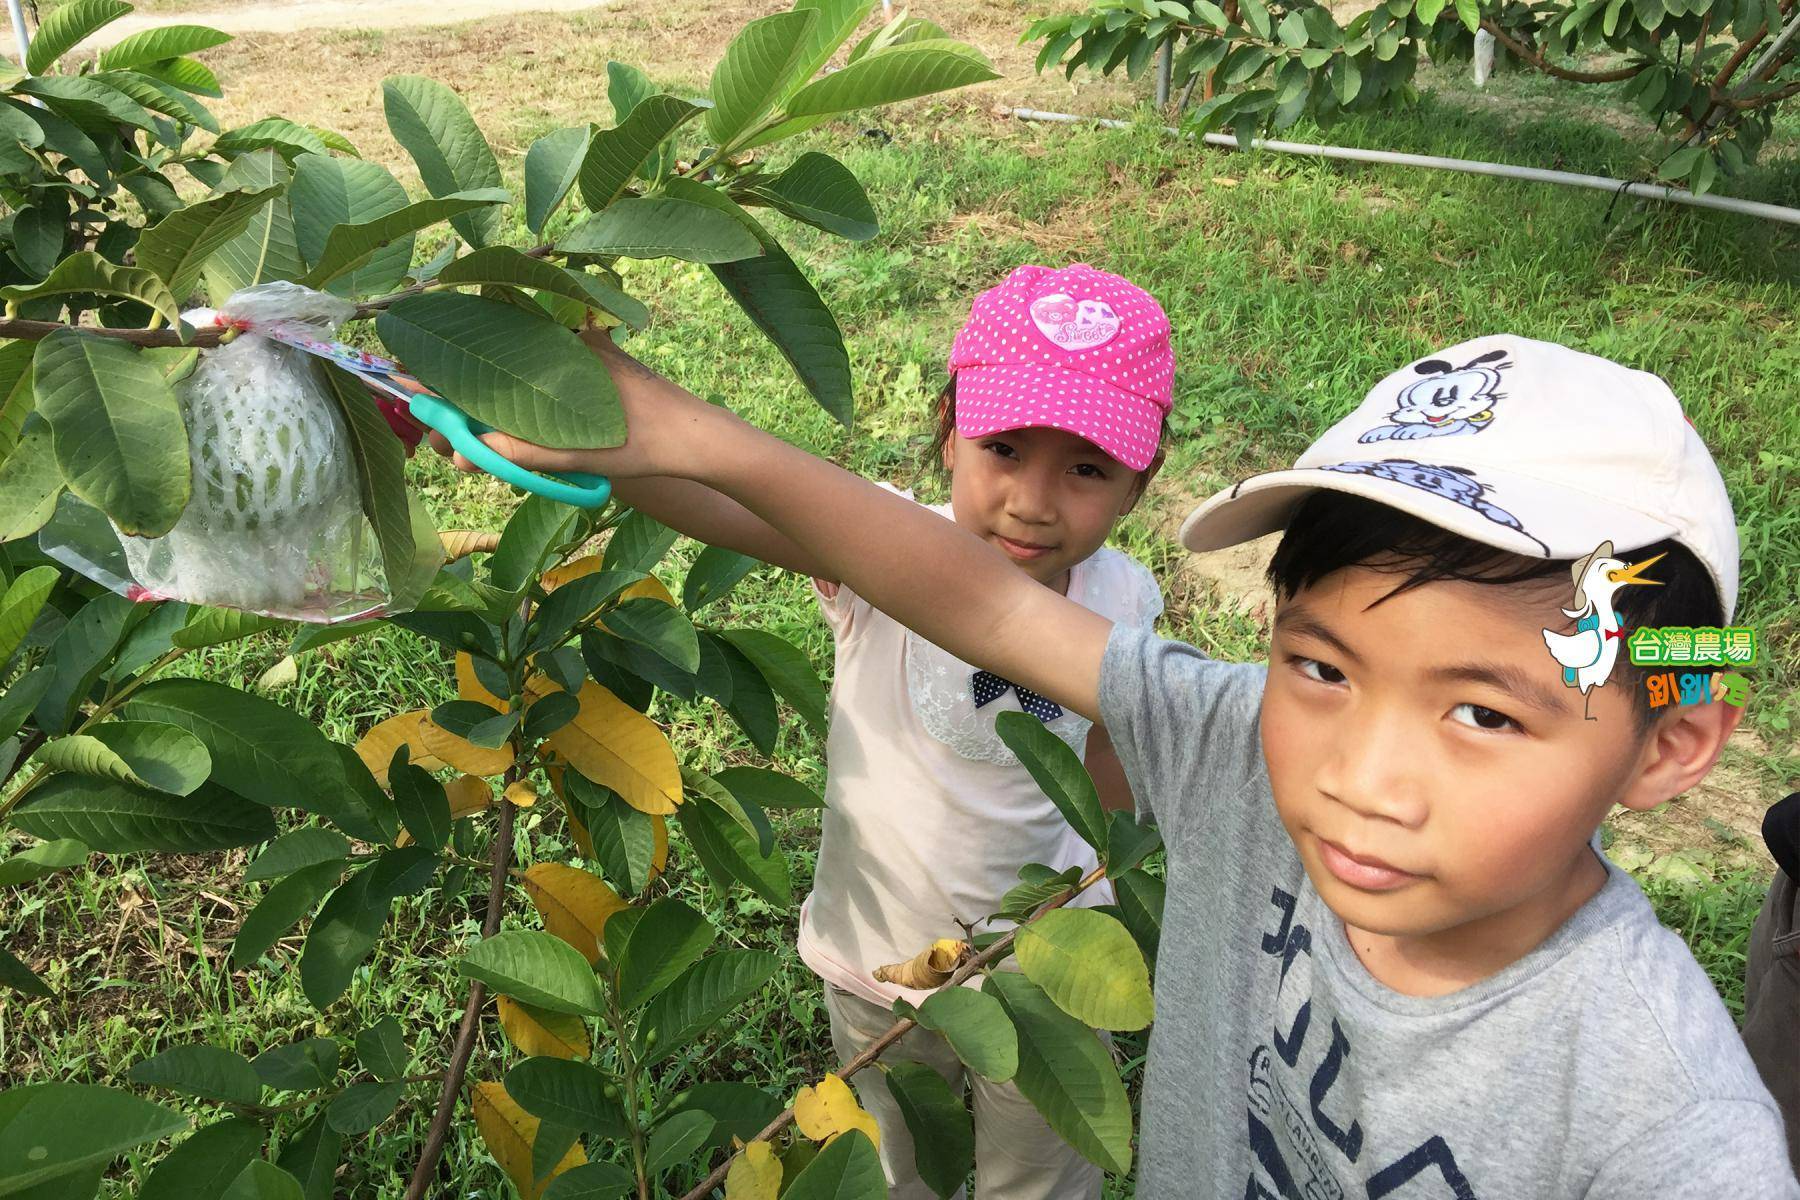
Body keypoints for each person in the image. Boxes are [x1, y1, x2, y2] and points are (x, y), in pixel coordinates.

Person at [440, 323, 1799, 1195]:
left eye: (1484, 714)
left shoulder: (1665, 1117)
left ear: (1672, 741)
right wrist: (683, 432)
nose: (1358, 777)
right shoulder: (1237, 751)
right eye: (1320, 667)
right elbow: (970, 596)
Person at [535, 264, 1169, 1200]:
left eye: (1085, 469)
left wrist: (1126, 892)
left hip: (1050, 964)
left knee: (1038, 1177)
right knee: (889, 1168)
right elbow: (723, 502)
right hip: (879, 955)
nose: (1034, 501)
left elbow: (1111, 760)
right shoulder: (884, 551)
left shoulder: (1126, 600)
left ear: (1137, 484)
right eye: (1003, 449)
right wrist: (593, 425)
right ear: (949, 437)